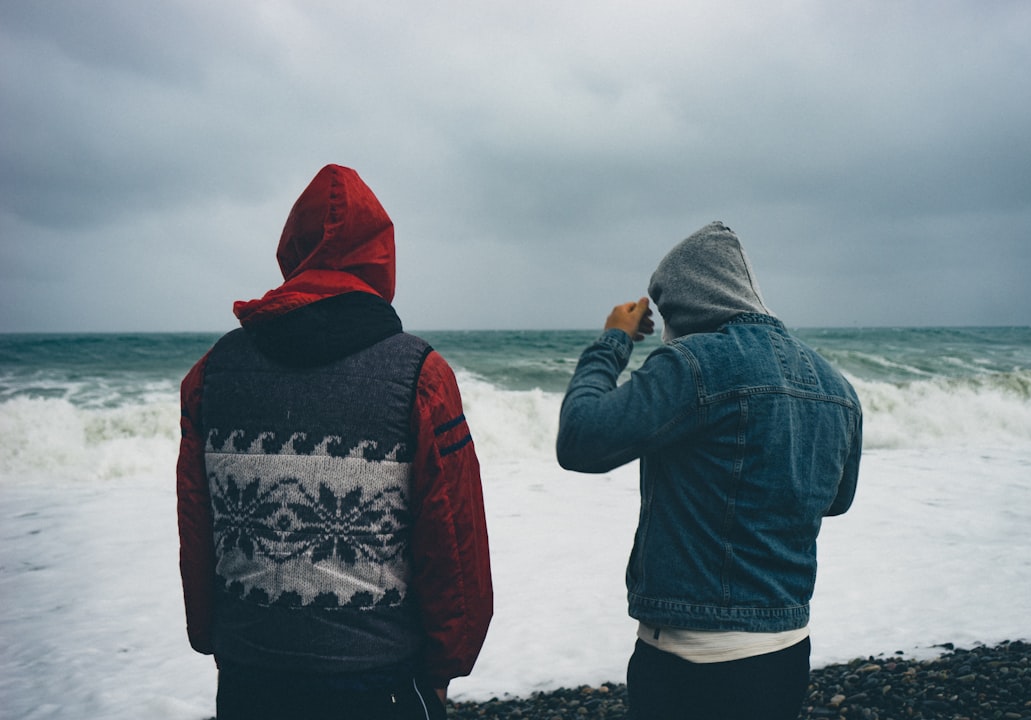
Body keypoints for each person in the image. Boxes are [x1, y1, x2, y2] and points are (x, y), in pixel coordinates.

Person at [177, 164, 493, 720]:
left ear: (291, 251)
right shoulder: (419, 375)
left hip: (250, 673)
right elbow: (454, 541)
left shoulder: (214, 371)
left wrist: (212, 637)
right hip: (381, 681)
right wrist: (446, 666)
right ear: (380, 257)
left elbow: (197, 523)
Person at [556, 221, 862, 720]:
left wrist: (614, 339)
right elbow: (837, 499)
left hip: (692, 656)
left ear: (686, 303)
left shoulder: (696, 365)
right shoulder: (835, 384)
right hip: (786, 647)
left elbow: (581, 439)